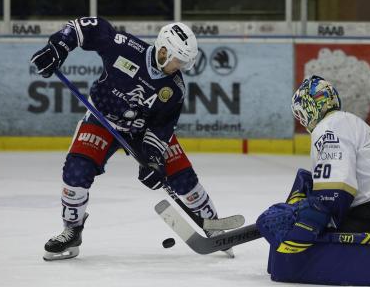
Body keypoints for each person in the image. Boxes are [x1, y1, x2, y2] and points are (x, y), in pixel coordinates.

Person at [30, 18, 229, 261]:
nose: (180, 67)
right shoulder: (124, 47)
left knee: (182, 176)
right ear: (163, 50)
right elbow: (85, 27)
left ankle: (213, 225)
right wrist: (58, 47)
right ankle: (72, 230)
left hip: (143, 131)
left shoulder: (174, 89)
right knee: (76, 170)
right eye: (178, 60)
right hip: (103, 119)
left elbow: (162, 127)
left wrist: (153, 160)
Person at [257, 75, 370, 287]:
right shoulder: (346, 120)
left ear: (311, 107)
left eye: (302, 114)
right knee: (308, 184)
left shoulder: (329, 126)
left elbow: (335, 191)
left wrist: (305, 226)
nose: (303, 121)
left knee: (323, 239)